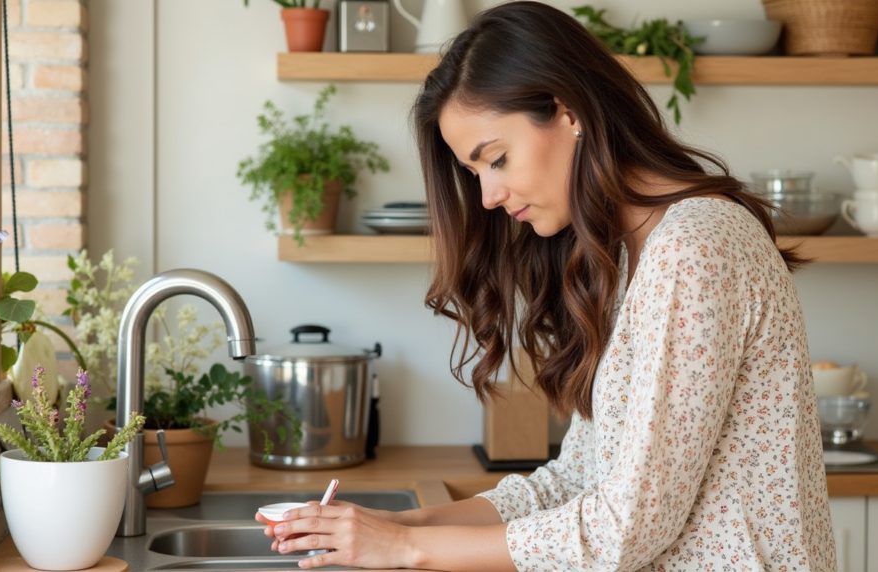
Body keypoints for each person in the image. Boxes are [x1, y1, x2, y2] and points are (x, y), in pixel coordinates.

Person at [257, 2, 836, 570]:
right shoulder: (628, 259)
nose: (487, 196)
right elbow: (576, 479)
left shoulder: (693, 248)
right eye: (474, 172)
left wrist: (409, 550)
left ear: (567, 111)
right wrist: (395, 528)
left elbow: (625, 528)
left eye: (498, 159)